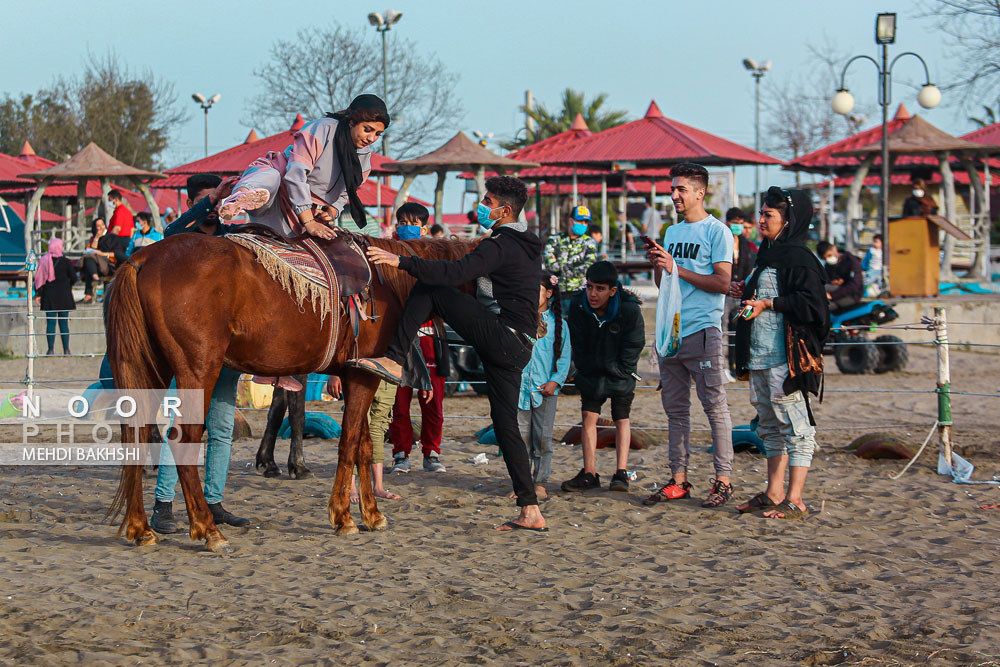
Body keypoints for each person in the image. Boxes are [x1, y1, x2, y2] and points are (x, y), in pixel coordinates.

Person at [354, 176, 548, 532]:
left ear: (505, 210)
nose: (482, 207)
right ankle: (530, 509)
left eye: (488, 201)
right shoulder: (527, 242)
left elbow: (456, 272)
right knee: (506, 427)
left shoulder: (502, 243)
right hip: (519, 347)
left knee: (432, 287)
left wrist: (399, 262)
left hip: (505, 337)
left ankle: (395, 357)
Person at [150, 172, 248, 534]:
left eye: (220, 198)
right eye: (208, 200)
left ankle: (214, 501)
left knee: (222, 428)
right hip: (191, 351)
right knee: (181, 426)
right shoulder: (183, 239)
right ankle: (164, 503)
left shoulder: (231, 238)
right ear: (193, 201)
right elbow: (167, 233)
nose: (216, 206)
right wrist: (212, 200)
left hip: (228, 351)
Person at [732, 187, 829, 519]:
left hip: (785, 359)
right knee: (769, 427)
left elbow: (814, 306)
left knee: (797, 429)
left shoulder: (802, 259)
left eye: (768, 215)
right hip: (758, 356)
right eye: (760, 213)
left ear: (789, 221)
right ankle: (774, 493)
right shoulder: (765, 255)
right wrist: (745, 291)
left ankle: (796, 498)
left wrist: (767, 303)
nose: (760, 220)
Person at [644, 163, 735, 508]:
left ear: (701, 192)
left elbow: (722, 283)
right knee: (675, 410)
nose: (674, 195)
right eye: (673, 189)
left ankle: (723, 480)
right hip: (671, 332)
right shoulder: (671, 232)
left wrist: (676, 268)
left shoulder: (717, 232)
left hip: (703, 330)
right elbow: (664, 284)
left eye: (681, 189)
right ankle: (678, 479)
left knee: (714, 407)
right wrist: (659, 264)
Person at [217, 94, 389, 240]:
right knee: (272, 176)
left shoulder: (364, 160)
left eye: (378, 134)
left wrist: (332, 211)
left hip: (295, 212)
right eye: (368, 130)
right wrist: (308, 221)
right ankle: (240, 197)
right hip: (277, 189)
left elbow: (346, 192)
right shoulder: (323, 128)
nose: (371, 138)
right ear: (352, 122)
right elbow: (295, 174)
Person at [561, 261, 644, 493]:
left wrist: (623, 370)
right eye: (589, 287)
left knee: (621, 419)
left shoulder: (629, 309)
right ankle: (589, 473)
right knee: (588, 417)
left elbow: (636, 343)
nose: (593, 294)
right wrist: (583, 370)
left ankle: (621, 473)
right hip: (590, 373)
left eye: (599, 288)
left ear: (613, 290)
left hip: (620, 373)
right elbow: (576, 342)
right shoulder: (578, 306)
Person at [386, 203, 448, 474]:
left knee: (433, 401)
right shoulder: (385, 252)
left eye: (411, 222)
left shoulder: (437, 255)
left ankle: (432, 453)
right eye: (401, 221)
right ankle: (401, 453)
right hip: (396, 338)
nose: (404, 226)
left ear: (424, 227)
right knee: (398, 401)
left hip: (429, 335)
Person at [514, 272, 571, 499]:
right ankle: (521, 482)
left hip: (545, 391)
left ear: (548, 293)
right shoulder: (518, 320)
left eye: (536, 289)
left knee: (543, 439)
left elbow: (564, 357)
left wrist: (555, 381)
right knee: (519, 439)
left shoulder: (559, 325)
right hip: (519, 391)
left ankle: (540, 481)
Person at [543, 205, 598, 312]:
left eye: (586, 222)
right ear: (571, 220)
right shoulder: (554, 239)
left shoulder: (589, 242)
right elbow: (549, 264)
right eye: (580, 221)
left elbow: (588, 268)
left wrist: (560, 267)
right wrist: (574, 265)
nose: (583, 224)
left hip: (580, 294)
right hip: (557, 295)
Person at [33, 238, 76, 356]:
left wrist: (38, 294)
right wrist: (68, 285)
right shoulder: (66, 262)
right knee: (64, 324)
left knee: (50, 324)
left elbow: (38, 279)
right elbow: (74, 278)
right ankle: (66, 350)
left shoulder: (44, 260)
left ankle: (50, 350)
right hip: (64, 296)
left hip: (49, 296)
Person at [80, 218, 128, 303]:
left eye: (102, 224)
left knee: (88, 258)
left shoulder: (112, 238)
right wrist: (97, 238)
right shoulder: (93, 239)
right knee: (88, 260)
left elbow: (119, 254)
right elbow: (91, 250)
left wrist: (102, 254)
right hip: (96, 266)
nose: (101, 227)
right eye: (98, 226)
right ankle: (92, 288)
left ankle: (93, 283)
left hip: (110, 265)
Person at [816, 241, 863, 310]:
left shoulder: (851, 261)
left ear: (834, 249)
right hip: (837, 291)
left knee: (820, 289)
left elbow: (855, 285)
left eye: (829, 255)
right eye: (825, 258)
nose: (828, 259)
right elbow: (826, 279)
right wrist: (832, 281)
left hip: (851, 295)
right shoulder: (829, 265)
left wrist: (832, 295)